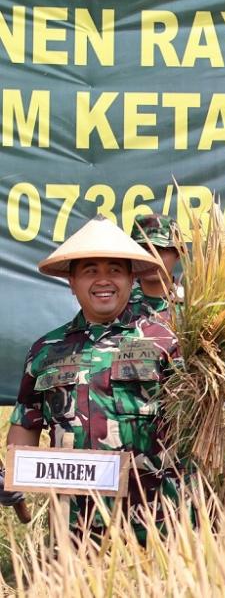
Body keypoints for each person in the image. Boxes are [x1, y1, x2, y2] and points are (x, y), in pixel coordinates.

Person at [1, 217, 180, 542]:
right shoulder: (46, 351)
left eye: (114, 269)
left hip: (156, 528)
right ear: (71, 281)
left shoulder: (168, 342)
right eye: (90, 270)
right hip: (72, 532)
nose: (103, 280)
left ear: (130, 278)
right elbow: (26, 425)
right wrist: (11, 475)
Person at [129, 213, 183, 317]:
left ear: (178, 255)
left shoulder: (194, 307)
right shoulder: (115, 303)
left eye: (161, 249)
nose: (152, 257)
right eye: (144, 248)